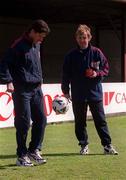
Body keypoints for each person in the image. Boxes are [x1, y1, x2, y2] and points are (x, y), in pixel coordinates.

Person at [61, 24, 118, 155]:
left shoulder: (97, 53)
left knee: (100, 120)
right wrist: (65, 91)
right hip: (78, 94)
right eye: (80, 37)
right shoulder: (70, 56)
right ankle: (83, 145)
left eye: (85, 37)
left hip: (95, 94)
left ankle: (107, 146)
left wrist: (96, 74)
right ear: (76, 38)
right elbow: (65, 74)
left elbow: (106, 69)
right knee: (80, 122)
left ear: (89, 37)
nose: (83, 40)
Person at [0, 19, 50, 166]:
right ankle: (21, 156)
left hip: (36, 89)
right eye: (40, 35)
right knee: (23, 123)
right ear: (33, 32)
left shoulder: (37, 45)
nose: (42, 39)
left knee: (41, 120)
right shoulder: (18, 45)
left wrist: (40, 79)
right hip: (22, 89)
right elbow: (4, 64)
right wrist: (8, 81)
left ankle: (34, 150)